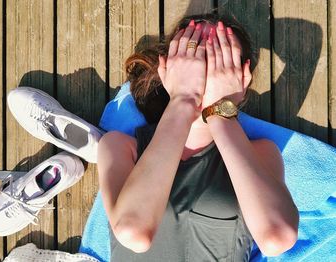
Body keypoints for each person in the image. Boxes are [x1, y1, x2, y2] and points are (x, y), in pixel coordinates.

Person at [97, 11, 299, 261]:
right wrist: (184, 100)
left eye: (221, 60)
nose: (204, 67)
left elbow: (276, 238)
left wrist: (221, 114)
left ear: (241, 82)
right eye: (192, 53)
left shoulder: (260, 154)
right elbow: (134, 232)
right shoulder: (120, 147)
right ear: (167, 69)